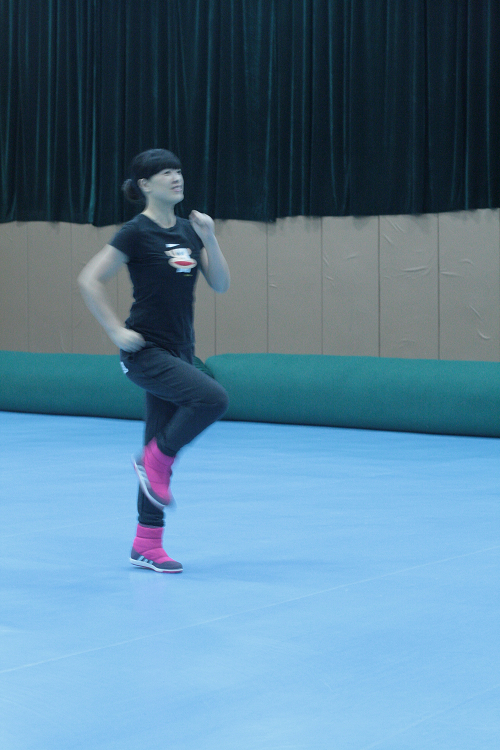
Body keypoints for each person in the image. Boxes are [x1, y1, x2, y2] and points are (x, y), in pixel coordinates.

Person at [78, 148, 230, 573]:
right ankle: (154, 460)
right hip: (145, 352)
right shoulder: (135, 232)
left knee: (158, 446)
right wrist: (115, 330)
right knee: (212, 400)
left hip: (180, 350)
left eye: (178, 170)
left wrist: (210, 237)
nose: (176, 178)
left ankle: (146, 543)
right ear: (145, 184)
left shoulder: (189, 231)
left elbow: (220, 283)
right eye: (166, 173)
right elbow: (89, 279)